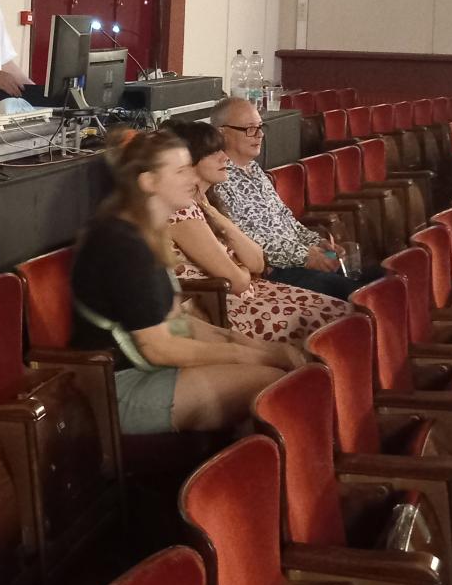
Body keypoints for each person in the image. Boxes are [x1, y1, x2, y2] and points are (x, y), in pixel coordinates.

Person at [70, 130, 299, 435]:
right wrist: (250, 356)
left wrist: (260, 348)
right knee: (273, 383)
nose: (192, 178)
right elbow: (158, 349)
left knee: (277, 368)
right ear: (148, 182)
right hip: (120, 387)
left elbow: (181, 322)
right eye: (180, 171)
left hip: (150, 370)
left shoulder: (146, 231)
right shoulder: (123, 245)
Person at [163, 120, 355, 345]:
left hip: (253, 291)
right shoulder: (182, 211)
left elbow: (257, 262)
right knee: (336, 318)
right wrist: (243, 268)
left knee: (345, 311)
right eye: (213, 153)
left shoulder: (206, 204)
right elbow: (238, 280)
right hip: (225, 306)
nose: (225, 158)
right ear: (190, 163)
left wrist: (216, 216)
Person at [210, 97, 366, 300]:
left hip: (299, 259)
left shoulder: (254, 169)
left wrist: (318, 243)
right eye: (250, 129)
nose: (260, 135)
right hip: (274, 271)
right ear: (221, 132)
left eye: (260, 127)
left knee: (375, 279)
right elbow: (245, 240)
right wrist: (305, 256)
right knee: (356, 294)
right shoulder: (218, 179)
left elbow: (286, 220)